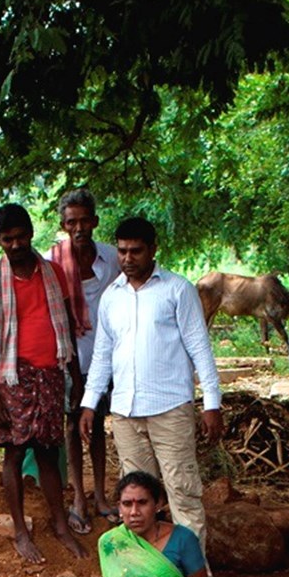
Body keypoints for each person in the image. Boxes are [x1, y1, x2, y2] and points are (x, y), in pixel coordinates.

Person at [80, 217, 222, 544]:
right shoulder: (112, 296)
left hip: (170, 408)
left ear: (153, 250)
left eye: (136, 251)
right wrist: (90, 403)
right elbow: (103, 354)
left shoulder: (177, 289)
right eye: (122, 251)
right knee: (136, 502)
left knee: (182, 493)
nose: (128, 259)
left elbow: (200, 347)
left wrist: (212, 403)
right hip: (125, 412)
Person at [0, 203, 85, 564]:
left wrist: (77, 374)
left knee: (48, 452)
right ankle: (20, 532)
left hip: (51, 374)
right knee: (15, 452)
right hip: (12, 378)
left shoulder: (52, 274)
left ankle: (60, 524)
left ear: (31, 233)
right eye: (8, 239)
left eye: (21, 236)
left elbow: (67, 326)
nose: (16, 244)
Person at [50, 188, 121, 526]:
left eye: (84, 221)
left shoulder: (112, 260)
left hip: (106, 359)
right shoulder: (51, 263)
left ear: (94, 221)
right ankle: (78, 495)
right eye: (71, 222)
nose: (78, 228)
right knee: (72, 425)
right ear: (64, 225)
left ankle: (102, 495)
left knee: (99, 426)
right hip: (68, 360)